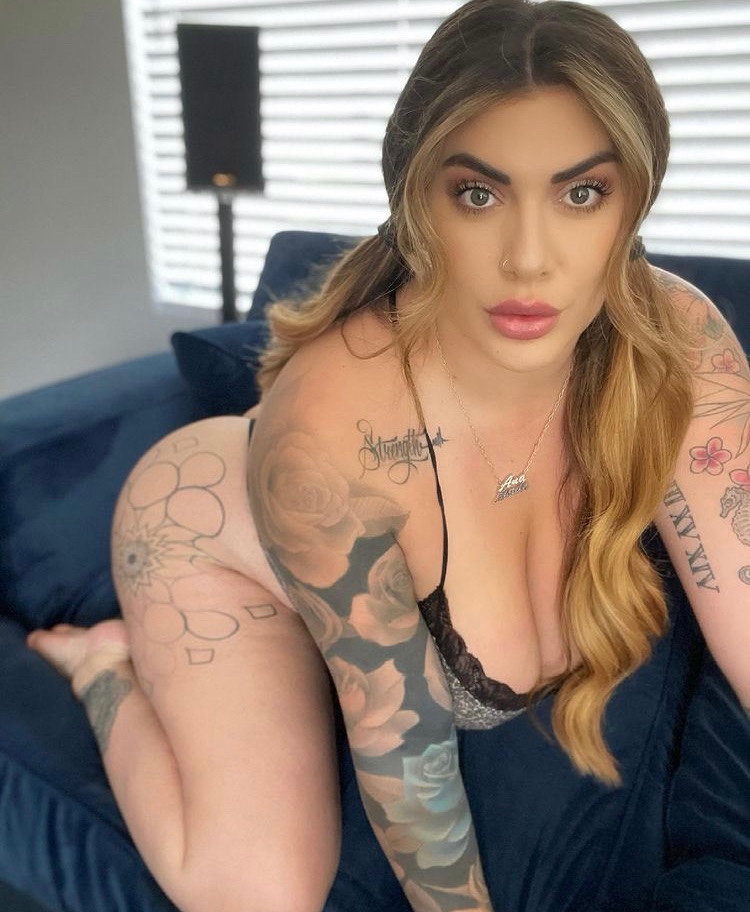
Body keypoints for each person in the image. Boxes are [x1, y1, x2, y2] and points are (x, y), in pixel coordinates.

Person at [27, 1, 750, 911]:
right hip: (203, 524)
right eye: (478, 193)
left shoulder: (678, 344)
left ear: (634, 198)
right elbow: (412, 790)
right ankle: (101, 667)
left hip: (327, 504)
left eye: (581, 193)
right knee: (258, 892)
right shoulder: (334, 434)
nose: (529, 260)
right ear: (417, 200)